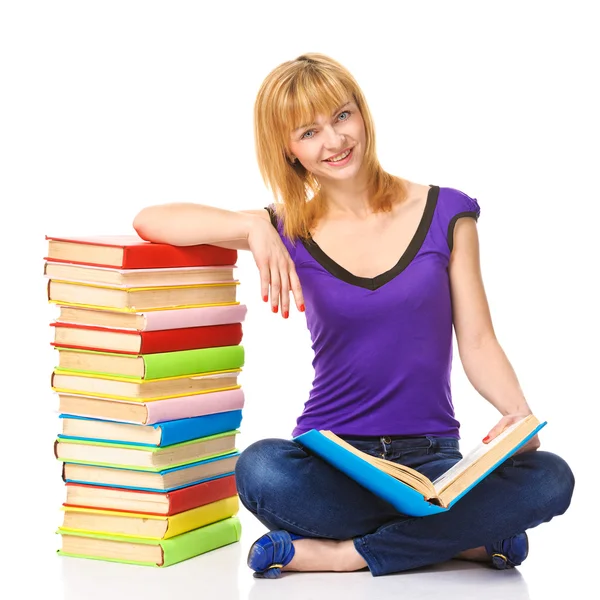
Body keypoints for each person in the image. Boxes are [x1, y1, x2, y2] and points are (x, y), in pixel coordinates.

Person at [132, 53, 575, 578]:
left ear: (362, 114)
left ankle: (347, 554)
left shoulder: (446, 212)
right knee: (259, 468)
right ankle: (464, 537)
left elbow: (477, 341)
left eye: (342, 117)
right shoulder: (286, 227)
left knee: (550, 477)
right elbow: (151, 220)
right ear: (288, 150)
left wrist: (519, 417)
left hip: (432, 457)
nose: (334, 141)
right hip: (333, 460)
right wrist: (253, 228)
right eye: (309, 131)